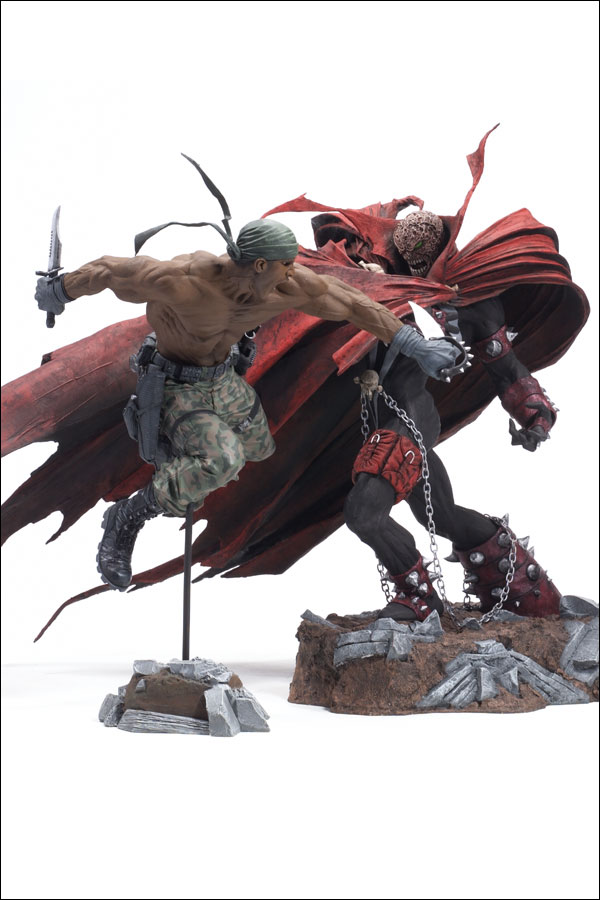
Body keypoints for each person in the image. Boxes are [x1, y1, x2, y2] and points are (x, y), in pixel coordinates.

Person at [35, 216, 460, 592]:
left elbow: (350, 301)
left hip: (223, 380)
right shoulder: (184, 280)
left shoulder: (285, 285)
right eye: (284, 265)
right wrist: (61, 289)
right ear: (258, 265)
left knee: (260, 447)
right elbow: (111, 271)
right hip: (175, 386)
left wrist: (413, 344)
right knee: (223, 460)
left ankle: (191, 474)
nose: (293, 272)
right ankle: (129, 515)